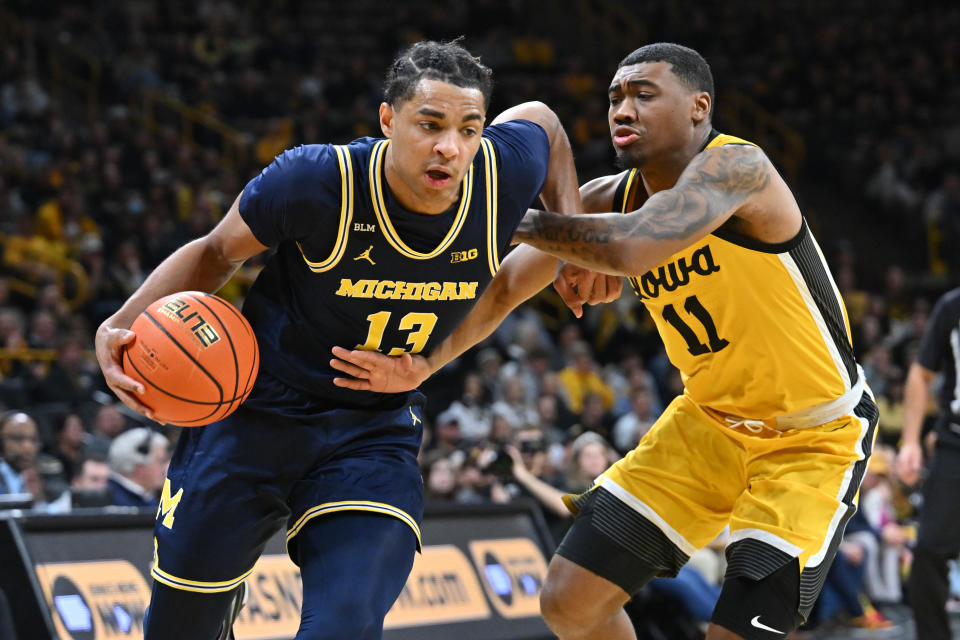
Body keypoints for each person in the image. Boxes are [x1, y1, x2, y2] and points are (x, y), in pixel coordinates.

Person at [332, 43, 877, 640]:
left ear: (699, 106)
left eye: (644, 94)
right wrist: (424, 363)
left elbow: (630, 247)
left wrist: (499, 210)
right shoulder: (605, 199)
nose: (623, 107)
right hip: (706, 426)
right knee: (570, 601)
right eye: (616, 96)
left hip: (811, 436)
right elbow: (501, 289)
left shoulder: (738, 168)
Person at [95, 39, 614, 640]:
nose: (452, 146)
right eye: (430, 124)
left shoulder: (499, 172)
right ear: (387, 119)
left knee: (342, 624)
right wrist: (122, 323)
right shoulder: (317, 180)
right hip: (255, 410)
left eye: (470, 129)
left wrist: (573, 235)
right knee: (181, 627)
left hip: (370, 430)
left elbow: (544, 124)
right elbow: (215, 251)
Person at [896, 285, 960, 640]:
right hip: (954, 442)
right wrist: (909, 441)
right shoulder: (952, 306)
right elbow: (921, 374)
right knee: (928, 552)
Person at [106, 427, 169, 508]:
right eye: (160, 461)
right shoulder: (112, 500)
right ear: (140, 465)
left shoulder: (145, 497)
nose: (165, 468)